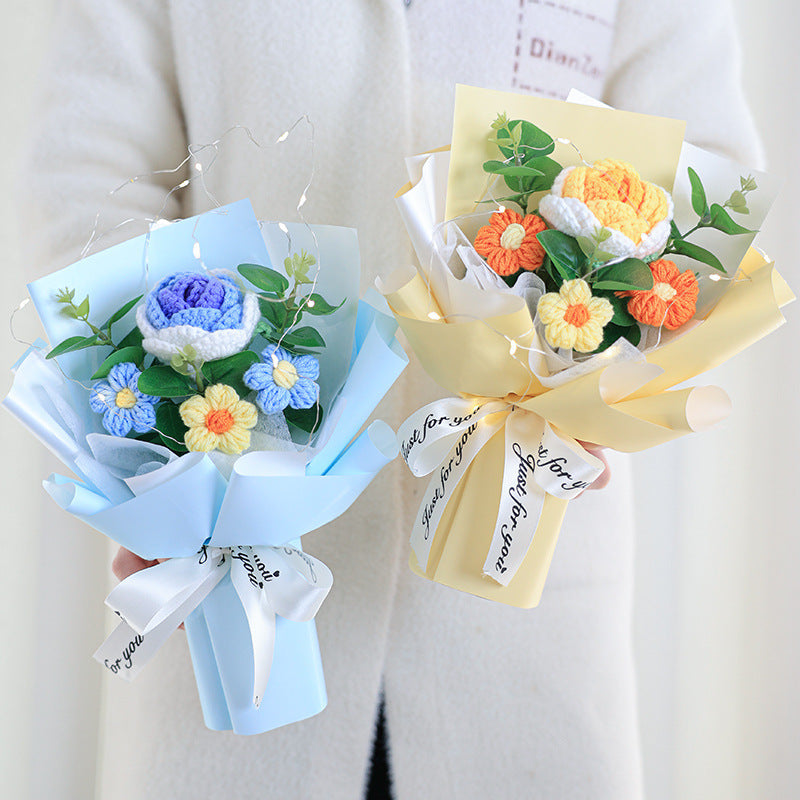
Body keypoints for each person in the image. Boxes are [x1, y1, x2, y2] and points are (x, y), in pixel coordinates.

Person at [21, 1, 761, 797]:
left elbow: (709, 185)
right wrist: (159, 450)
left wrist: (599, 380)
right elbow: (86, 184)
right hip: (231, 533)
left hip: (524, 577)